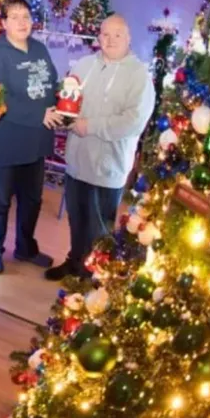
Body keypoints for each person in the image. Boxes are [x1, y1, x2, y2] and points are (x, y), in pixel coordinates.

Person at [44, 14, 156, 280]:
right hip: (77, 159)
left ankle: (93, 278)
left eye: (117, 34)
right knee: (76, 218)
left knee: (99, 229)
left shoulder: (139, 75)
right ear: (98, 38)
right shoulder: (83, 65)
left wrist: (90, 126)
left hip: (108, 166)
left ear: (128, 38)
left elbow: (133, 122)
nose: (110, 40)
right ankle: (74, 262)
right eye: (105, 34)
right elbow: (69, 101)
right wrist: (60, 113)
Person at [0, 0, 65, 274]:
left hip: (36, 141)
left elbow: (51, 83)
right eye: (14, 16)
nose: (21, 22)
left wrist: (64, 98)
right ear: (4, 23)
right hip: (7, 140)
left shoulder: (39, 49)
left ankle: (25, 248)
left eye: (26, 16)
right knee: (0, 200)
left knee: (32, 200)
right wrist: (38, 114)